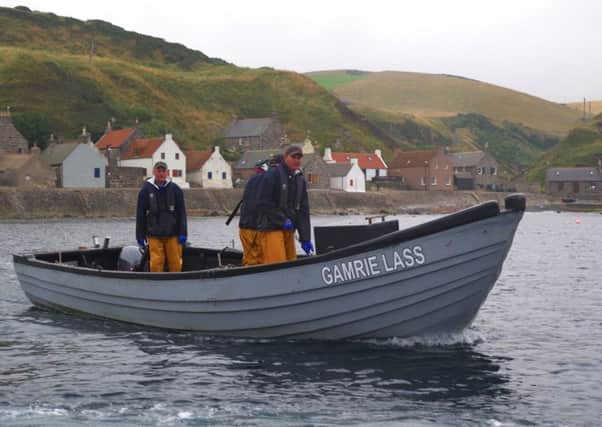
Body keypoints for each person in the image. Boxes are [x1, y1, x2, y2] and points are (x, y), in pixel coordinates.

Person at [256, 146, 314, 264]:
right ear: (286, 157)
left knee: (291, 261)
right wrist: (282, 220)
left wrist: (305, 238)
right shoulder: (273, 174)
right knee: (277, 264)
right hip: (271, 228)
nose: (296, 160)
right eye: (293, 157)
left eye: (299, 157)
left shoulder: (300, 180)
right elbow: (263, 202)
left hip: (289, 230)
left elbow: (303, 211)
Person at [136, 161, 187, 272]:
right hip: (153, 234)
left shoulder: (176, 190)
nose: (161, 174)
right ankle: (156, 284)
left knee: (175, 262)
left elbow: (182, 213)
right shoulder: (145, 191)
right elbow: (140, 214)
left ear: (167, 172)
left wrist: (183, 232)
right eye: (159, 171)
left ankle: (176, 283)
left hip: (173, 233)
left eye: (163, 171)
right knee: (156, 262)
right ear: (154, 172)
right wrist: (140, 235)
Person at [238, 160, 269, 266]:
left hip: (245, 225)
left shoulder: (252, 180)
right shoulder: (267, 180)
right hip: (258, 227)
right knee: (260, 258)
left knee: (250, 257)